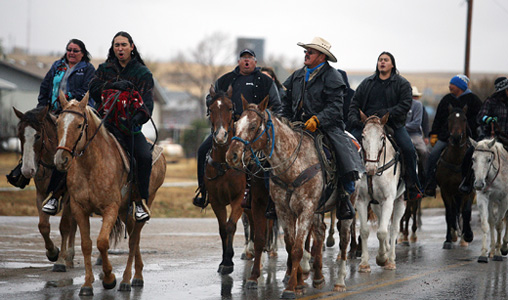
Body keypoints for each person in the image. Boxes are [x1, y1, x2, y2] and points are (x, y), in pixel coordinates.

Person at [281, 37, 364, 220]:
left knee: (340, 151)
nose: (306, 54)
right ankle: (274, 199)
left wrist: (317, 120)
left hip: (327, 126)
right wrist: (285, 121)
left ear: (322, 56)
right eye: (306, 51)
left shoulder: (332, 76)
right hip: (297, 126)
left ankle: (344, 195)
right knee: (272, 153)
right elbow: (284, 101)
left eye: (311, 51)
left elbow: (335, 107)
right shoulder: (296, 75)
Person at [192, 49, 282, 212]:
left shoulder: (265, 81)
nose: (246, 61)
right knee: (202, 151)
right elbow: (210, 99)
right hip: (227, 128)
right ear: (239, 61)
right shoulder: (225, 80)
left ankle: (272, 198)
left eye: (250, 58)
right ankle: (203, 191)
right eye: (243, 58)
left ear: (255, 62)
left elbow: (277, 105)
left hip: (256, 132)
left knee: (268, 159)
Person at [88, 31, 154, 222]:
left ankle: (140, 202)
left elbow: (148, 104)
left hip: (128, 127)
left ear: (132, 47)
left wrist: (137, 119)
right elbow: (93, 89)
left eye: (124, 45)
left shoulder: (142, 73)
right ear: (113, 48)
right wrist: (115, 84)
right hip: (103, 123)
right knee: (75, 147)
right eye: (117, 45)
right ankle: (59, 195)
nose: (120, 48)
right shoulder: (104, 69)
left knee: (144, 156)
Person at [348, 51, 422, 202]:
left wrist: (388, 113)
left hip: (393, 125)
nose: (382, 62)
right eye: (380, 60)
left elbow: (405, 105)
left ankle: (412, 185)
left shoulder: (402, 84)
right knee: (348, 145)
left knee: (408, 149)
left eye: (385, 60)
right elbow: (354, 104)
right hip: (367, 125)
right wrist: (355, 120)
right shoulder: (367, 83)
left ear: (392, 65)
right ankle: (346, 185)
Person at [38, 38, 96, 215]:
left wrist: (68, 98)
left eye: (75, 50)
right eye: (69, 49)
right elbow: (45, 86)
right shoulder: (57, 65)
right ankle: (24, 169)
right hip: (53, 112)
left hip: (75, 113)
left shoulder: (87, 69)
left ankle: (55, 195)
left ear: (83, 53)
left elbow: (87, 90)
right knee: (32, 134)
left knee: (65, 147)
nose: (71, 53)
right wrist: (41, 108)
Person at [424, 75, 482, 197]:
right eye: (450, 83)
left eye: (453, 84)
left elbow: (478, 119)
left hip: (468, 138)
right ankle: (430, 184)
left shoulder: (473, 100)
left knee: (480, 158)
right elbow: (438, 118)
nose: (450, 86)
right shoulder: (446, 99)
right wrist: (434, 134)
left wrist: (471, 133)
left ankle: (480, 183)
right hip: (446, 137)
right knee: (433, 154)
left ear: (460, 86)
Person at [458, 76, 508, 193]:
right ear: (502, 91)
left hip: (507, 139)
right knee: (470, 152)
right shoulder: (490, 102)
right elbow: (480, 117)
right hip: (490, 138)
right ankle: (467, 181)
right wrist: (488, 119)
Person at [406, 86, 429, 187]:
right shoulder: (401, 104)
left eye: (415, 96)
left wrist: (402, 128)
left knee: (423, 151)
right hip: (401, 133)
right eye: (412, 96)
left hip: (414, 134)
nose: (414, 97)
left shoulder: (418, 105)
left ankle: (424, 176)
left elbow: (419, 123)